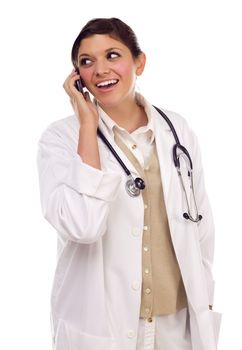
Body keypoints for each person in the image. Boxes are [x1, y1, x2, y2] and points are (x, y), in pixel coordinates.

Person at [37, 17, 221, 350]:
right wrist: (87, 127)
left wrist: (204, 295)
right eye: (86, 62)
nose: (100, 70)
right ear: (77, 78)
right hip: (104, 327)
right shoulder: (60, 139)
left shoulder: (176, 130)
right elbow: (83, 226)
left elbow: (201, 226)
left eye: (112, 55)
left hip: (176, 323)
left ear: (140, 62)